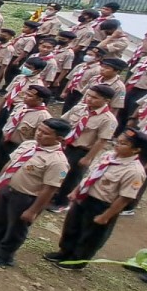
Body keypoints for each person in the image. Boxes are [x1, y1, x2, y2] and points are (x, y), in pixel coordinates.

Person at [46, 129, 147, 270]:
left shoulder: (135, 171)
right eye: (118, 141)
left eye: (123, 144)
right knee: (72, 226)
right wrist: (76, 190)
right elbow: (91, 176)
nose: (117, 145)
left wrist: (105, 216)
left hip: (102, 205)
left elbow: (125, 198)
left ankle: (77, 261)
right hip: (85, 197)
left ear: (136, 150)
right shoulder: (108, 156)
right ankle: (65, 251)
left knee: (90, 235)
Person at [0, 119, 72, 267]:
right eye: (39, 130)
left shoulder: (58, 161)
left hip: (26, 197)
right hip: (8, 189)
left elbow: (49, 189)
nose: (39, 134)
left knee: (16, 228)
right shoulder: (29, 145)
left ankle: (5, 255)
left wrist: (33, 211)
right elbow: (10, 164)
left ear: (59, 139)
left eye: (45, 133)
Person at [47, 85, 119, 213]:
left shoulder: (108, 119)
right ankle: (52, 195)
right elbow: (64, 121)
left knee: (72, 177)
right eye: (88, 95)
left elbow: (101, 141)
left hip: (81, 150)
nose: (89, 99)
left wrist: (88, 158)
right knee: (58, 171)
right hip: (66, 145)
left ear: (106, 101)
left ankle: (63, 202)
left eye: (94, 98)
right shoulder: (80, 108)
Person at [0, 85, 54, 201]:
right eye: (26, 94)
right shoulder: (20, 106)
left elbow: (37, 139)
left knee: (11, 173)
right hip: (5, 142)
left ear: (40, 100)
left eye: (30, 96)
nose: (25, 97)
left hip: (19, 147)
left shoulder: (43, 117)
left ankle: (1, 198)